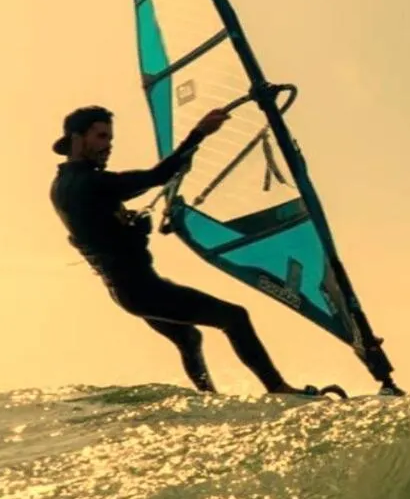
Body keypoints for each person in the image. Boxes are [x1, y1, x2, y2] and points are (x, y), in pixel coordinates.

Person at [49, 104, 312, 396]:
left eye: (110, 138)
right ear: (77, 139)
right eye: (101, 137)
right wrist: (199, 133)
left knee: (188, 337)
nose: (108, 145)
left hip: (127, 290)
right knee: (234, 317)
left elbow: (105, 225)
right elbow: (157, 176)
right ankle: (279, 388)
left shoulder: (64, 185)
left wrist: (131, 226)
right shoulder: (87, 183)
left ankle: (207, 397)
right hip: (140, 288)